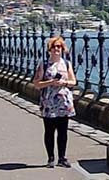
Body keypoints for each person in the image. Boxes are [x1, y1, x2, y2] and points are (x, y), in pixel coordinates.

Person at [33, 36, 76, 168]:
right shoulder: (44, 64)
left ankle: (62, 158)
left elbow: (73, 82)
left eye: (59, 47)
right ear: (49, 49)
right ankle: (51, 158)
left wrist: (65, 82)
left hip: (64, 102)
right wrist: (51, 82)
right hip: (49, 102)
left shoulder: (67, 63)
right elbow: (36, 83)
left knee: (63, 131)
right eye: (54, 47)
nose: (57, 49)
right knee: (49, 130)